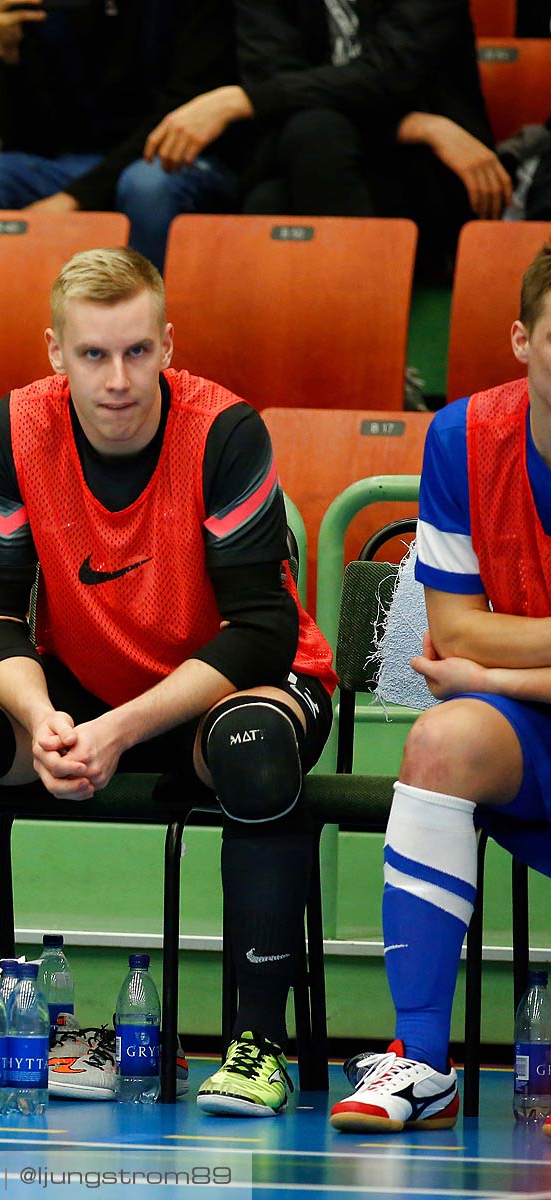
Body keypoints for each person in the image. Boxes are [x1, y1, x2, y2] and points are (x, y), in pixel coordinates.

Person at [0, 247, 336, 1118]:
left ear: (168, 345)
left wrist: (121, 729)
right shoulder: (12, 432)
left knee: (255, 750)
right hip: (84, 683)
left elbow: (262, 628)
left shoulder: (226, 431)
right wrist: (43, 716)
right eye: (94, 355)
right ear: (56, 354)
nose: (119, 378)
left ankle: (257, 1045)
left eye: (137, 351)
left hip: (228, 682)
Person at [331, 244, 551, 1135]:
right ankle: (421, 1062)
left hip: (518, 690)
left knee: (466, 703)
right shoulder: (463, 436)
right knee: (440, 740)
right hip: (531, 730)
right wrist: (490, 676)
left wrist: (495, 674)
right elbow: (452, 632)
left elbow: (472, 652)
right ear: (522, 342)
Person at [180, 0, 502, 271]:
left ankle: (358, 307)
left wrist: (249, 99)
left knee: (273, 198)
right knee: (295, 159)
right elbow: (273, 78)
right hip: (312, 150)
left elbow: (393, 74)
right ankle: (360, 307)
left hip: (420, 169)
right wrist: (416, 126)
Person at [0, 0, 242, 269]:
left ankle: (148, 330)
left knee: (147, 186)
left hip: (174, 159)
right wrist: (9, 52)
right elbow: (28, 140)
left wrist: (76, 198)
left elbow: (178, 115)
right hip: (74, 163)